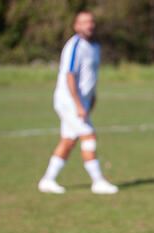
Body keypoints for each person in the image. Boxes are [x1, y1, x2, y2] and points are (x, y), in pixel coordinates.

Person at [38, 9, 118, 195]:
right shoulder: (74, 46)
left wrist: (93, 97)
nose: (89, 25)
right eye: (84, 22)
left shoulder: (95, 46)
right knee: (89, 137)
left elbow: (91, 76)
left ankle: (47, 180)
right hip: (69, 101)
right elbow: (70, 76)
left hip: (82, 101)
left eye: (91, 22)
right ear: (76, 26)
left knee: (68, 141)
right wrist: (78, 105)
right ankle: (98, 182)